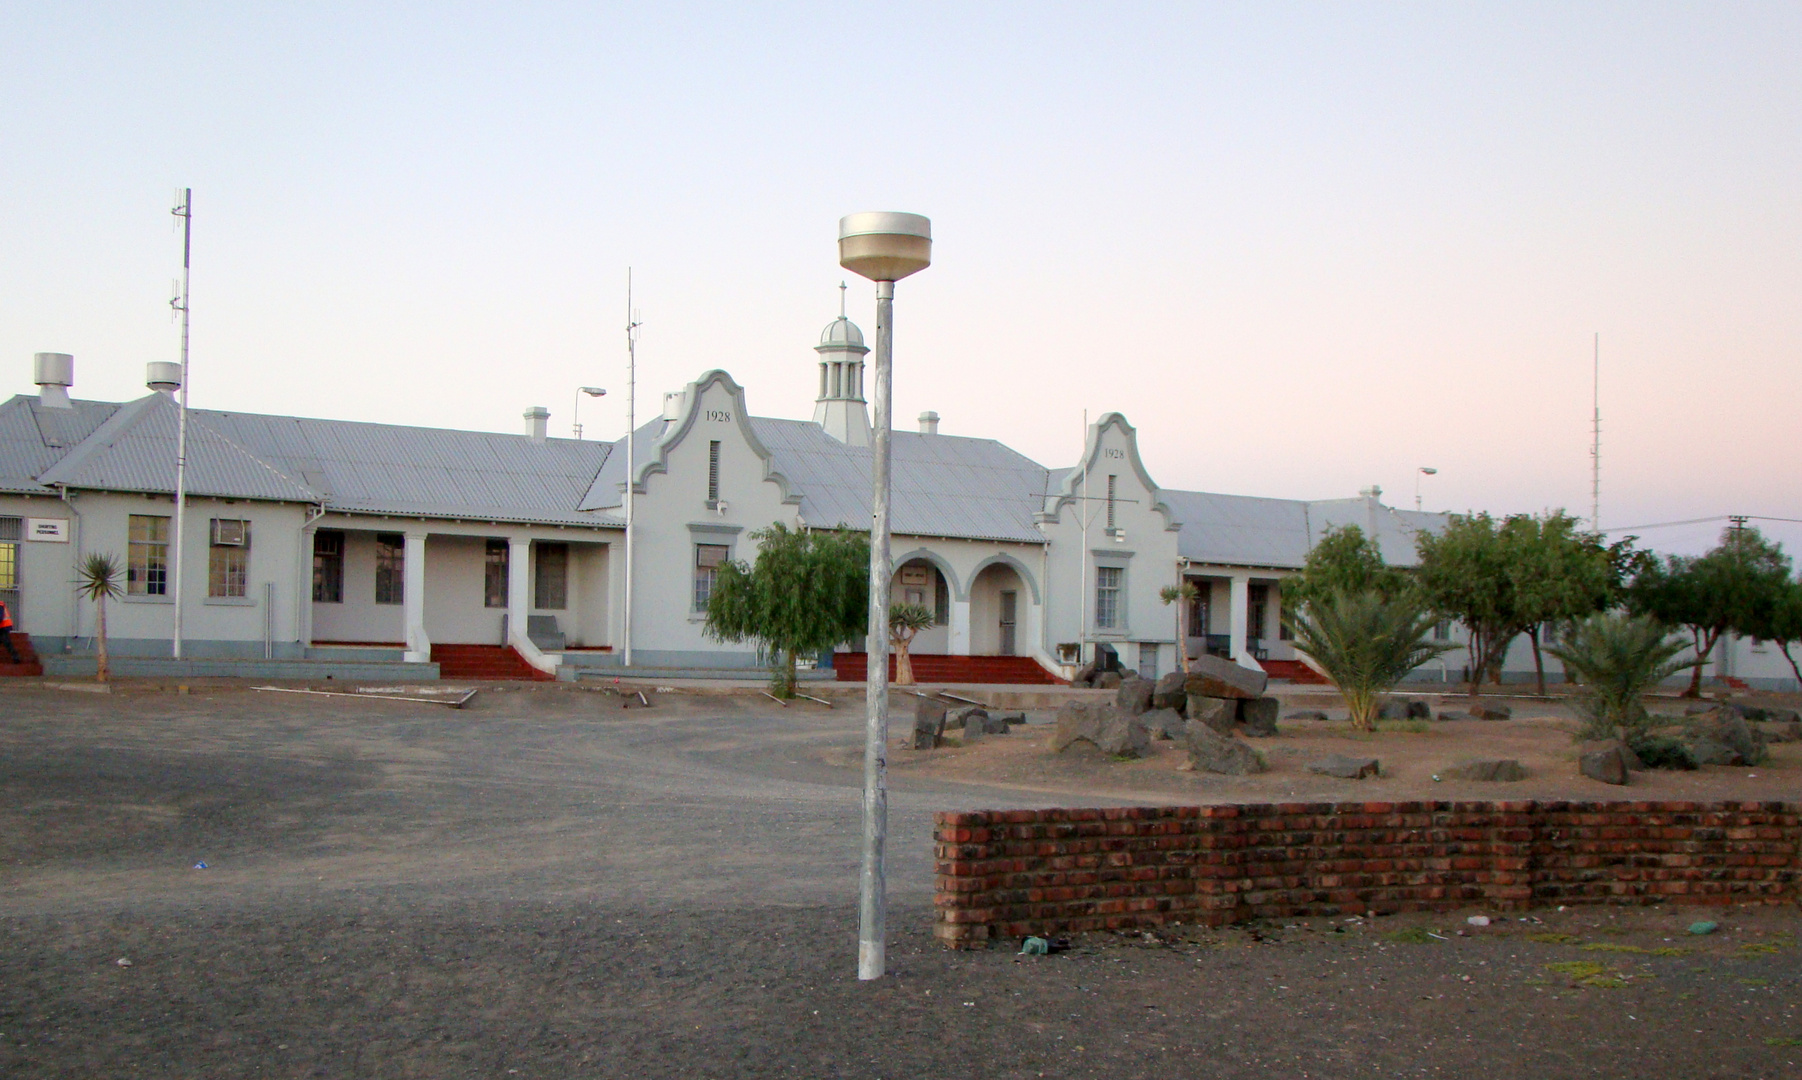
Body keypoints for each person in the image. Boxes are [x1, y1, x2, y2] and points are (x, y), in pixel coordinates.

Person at [0, 598, 19, 663]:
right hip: (4, 626)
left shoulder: (0, 604)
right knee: (7, 642)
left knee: (7, 642)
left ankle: (16, 657)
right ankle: (16, 657)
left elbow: (0, 616)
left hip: (4, 626)